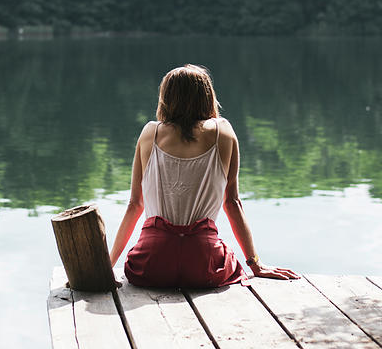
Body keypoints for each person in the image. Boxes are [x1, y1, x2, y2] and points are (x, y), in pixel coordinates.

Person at [109, 64, 299, 288]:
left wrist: (107, 266)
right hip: (204, 264)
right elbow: (232, 203)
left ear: (166, 98)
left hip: (152, 265)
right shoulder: (223, 132)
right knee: (221, 257)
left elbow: (135, 204)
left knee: (150, 255)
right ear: (207, 97)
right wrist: (255, 264)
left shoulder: (151, 132)